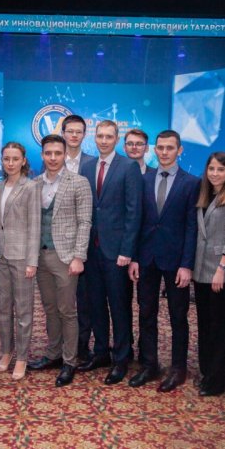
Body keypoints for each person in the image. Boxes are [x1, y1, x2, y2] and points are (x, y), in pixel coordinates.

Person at [128, 130, 200, 391]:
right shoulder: (143, 179)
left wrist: (187, 265)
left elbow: (192, 226)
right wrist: (134, 257)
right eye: (160, 147)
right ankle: (149, 365)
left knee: (178, 316)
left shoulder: (191, 183)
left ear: (179, 150)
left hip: (176, 261)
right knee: (146, 312)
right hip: (146, 258)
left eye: (170, 148)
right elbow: (137, 221)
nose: (165, 152)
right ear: (154, 150)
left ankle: (178, 368)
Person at [78, 120, 143, 385]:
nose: (104, 140)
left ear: (116, 139)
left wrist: (127, 251)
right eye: (100, 136)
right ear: (94, 138)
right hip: (91, 250)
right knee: (95, 305)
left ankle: (122, 358)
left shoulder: (128, 167)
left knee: (119, 306)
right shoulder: (86, 167)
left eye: (109, 136)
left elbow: (134, 212)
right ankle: (101, 352)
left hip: (117, 252)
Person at [29, 135, 92, 386]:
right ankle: (53, 354)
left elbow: (85, 222)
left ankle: (69, 360)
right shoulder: (34, 183)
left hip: (66, 258)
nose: (53, 158)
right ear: (42, 155)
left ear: (65, 154)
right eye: (48, 153)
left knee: (67, 310)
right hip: (40, 256)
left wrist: (79, 256)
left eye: (57, 153)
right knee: (50, 308)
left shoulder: (79, 182)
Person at [192, 152, 225, 396]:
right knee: (205, 324)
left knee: (220, 327)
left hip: (221, 272)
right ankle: (207, 372)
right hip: (201, 269)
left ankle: (216, 380)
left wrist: (221, 269)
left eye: (221, 169)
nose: (215, 173)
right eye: (211, 168)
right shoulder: (205, 195)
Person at [0, 143, 40, 380]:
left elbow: (34, 225)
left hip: (22, 257)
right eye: (6, 159)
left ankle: (22, 356)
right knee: (2, 308)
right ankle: (6, 351)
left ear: (23, 161)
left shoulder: (31, 187)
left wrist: (32, 261)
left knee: (23, 310)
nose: (10, 163)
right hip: (0, 256)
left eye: (15, 159)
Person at [57, 114, 98, 364]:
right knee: (59, 299)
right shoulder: (52, 161)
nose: (74, 135)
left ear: (84, 135)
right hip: (58, 243)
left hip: (85, 241)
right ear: (63, 133)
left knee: (84, 298)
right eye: (69, 131)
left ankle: (81, 346)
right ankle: (60, 346)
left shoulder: (93, 164)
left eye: (78, 131)